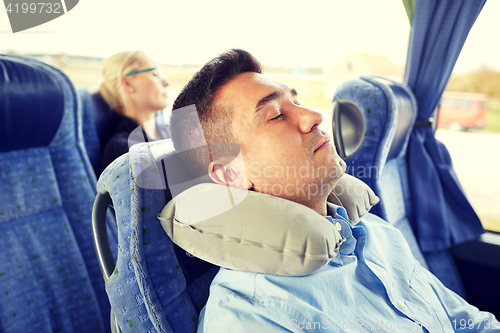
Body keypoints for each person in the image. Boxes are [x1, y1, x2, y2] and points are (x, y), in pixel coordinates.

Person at [169, 49, 500, 332]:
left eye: (296, 101)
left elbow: (466, 321)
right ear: (230, 175)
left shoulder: (375, 232)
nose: (313, 115)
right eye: (276, 115)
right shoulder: (252, 316)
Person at [98, 50, 170, 169]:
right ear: (128, 83)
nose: (167, 83)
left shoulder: (169, 131)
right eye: (156, 74)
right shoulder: (124, 150)